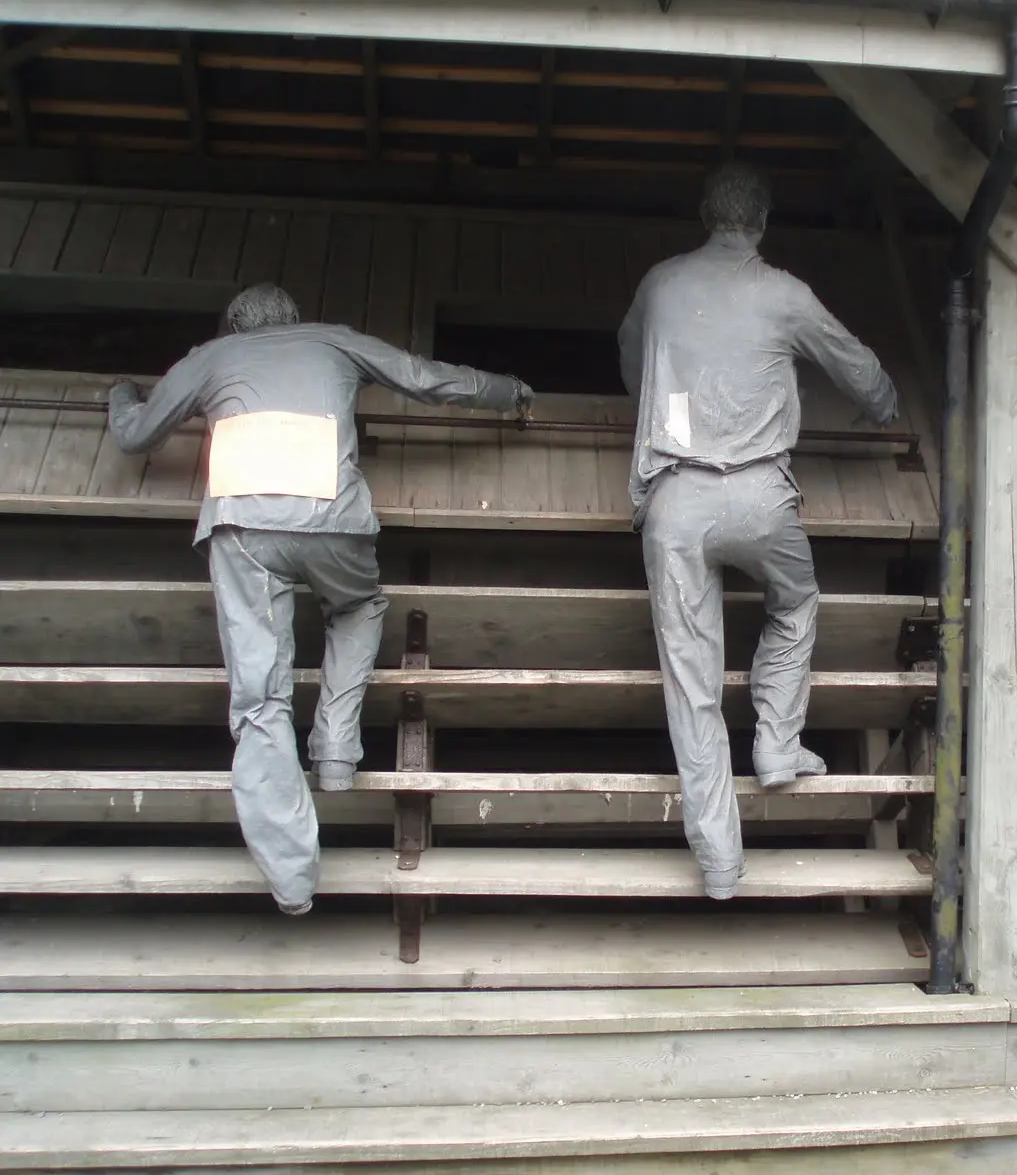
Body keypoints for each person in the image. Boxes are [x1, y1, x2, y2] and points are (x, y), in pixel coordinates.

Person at [107, 283, 533, 916]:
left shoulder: (209, 358)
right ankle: (336, 749)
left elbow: (137, 435)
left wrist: (119, 396)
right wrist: (509, 390)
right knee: (358, 607)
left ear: (236, 326)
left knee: (259, 701)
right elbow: (427, 378)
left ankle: (292, 877)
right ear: (294, 320)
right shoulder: (334, 340)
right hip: (331, 521)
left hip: (243, 532)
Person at [619, 163, 900, 900]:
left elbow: (630, 359)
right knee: (797, 601)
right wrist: (887, 407)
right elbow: (860, 370)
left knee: (693, 688)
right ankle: (777, 744)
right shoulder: (785, 293)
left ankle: (719, 866)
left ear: (707, 214)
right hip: (761, 497)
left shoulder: (659, 284)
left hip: (676, 500)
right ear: (762, 223)